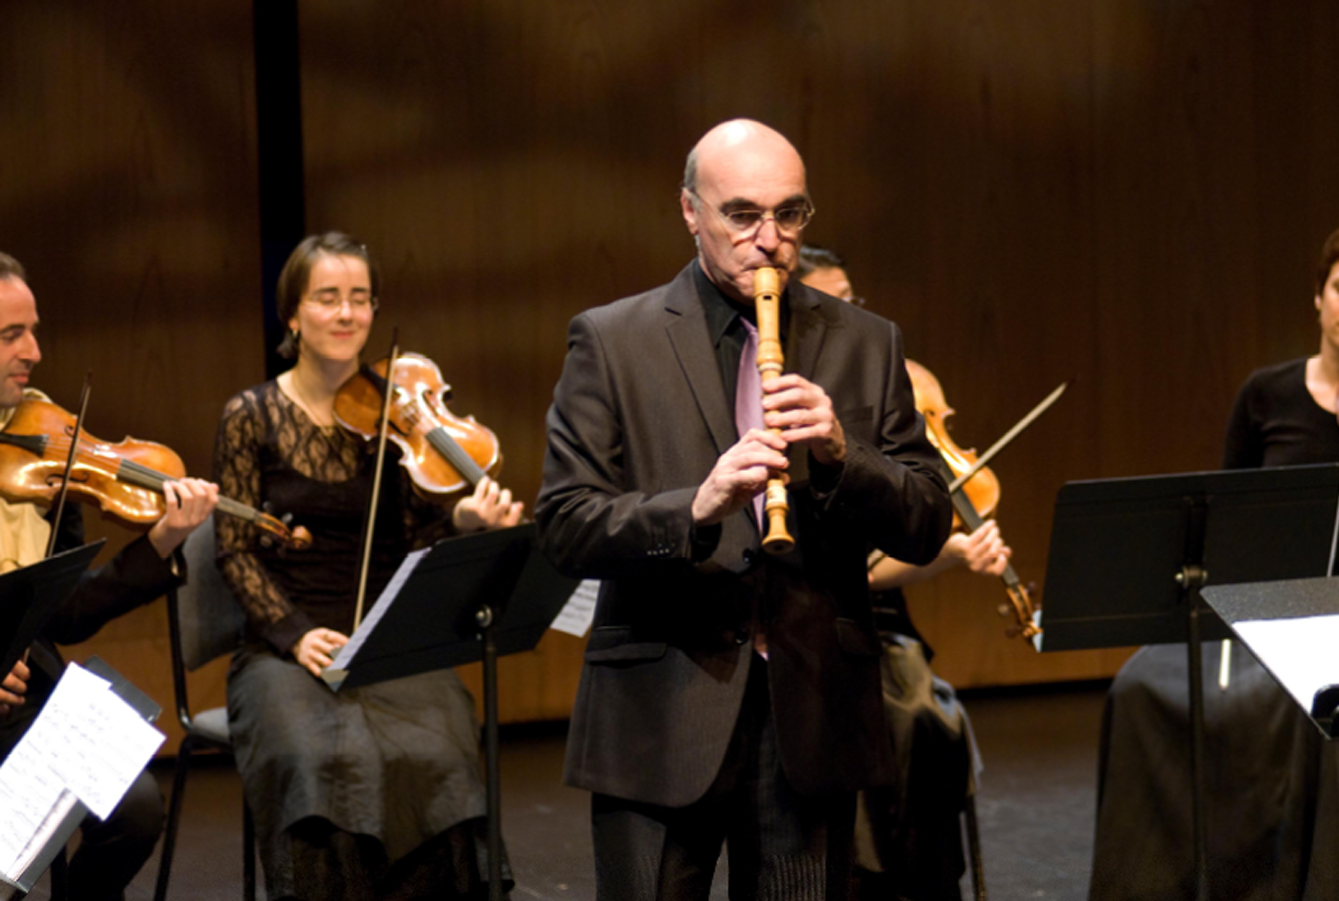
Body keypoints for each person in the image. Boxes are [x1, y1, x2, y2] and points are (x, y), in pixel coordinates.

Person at [535, 119, 952, 900]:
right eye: (743, 215)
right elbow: (565, 523)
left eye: (790, 215)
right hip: (659, 709)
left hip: (812, 708)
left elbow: (927, 520)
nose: (770, 240)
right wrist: (695, 505)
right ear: (690, 210)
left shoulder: (868, 342)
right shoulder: (612, 340)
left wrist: (841, 451)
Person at [1089, 221, 1339, 901]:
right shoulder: (1266, 395)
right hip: (1281, 612)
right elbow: (1229, 524)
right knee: (1139, 690)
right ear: (1318, 294)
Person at [213, 232, 523, 901]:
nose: (347, 313)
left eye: (360, 298)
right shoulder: (250, 416)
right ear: (293, 314)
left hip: (386, 642)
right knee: (318, 758)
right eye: (328, 298)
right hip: (284, 650)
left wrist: (463, 523)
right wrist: (294, 633)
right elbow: (233, 549)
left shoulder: (397, 414)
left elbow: (416, 539)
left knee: (439, 749)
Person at [0, 251, 219, 901]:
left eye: (34, 329)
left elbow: (63, 614)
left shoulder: (40, 438)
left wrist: (164, 537)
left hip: (24, 683)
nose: (35, 350)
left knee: (134, 809)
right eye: (11, 335)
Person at [798, 245, 1008, 901]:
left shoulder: (886, 380)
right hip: (817, 610)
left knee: (923, 714)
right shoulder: (791, 408)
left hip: (884, 626)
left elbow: (915, 513)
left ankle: (925, 880)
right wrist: (946, 555)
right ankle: (869, 880)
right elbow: (850, 567)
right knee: (891, 712)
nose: (850, 315)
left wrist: (943, 546)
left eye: (852, 300)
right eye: (832, 303)